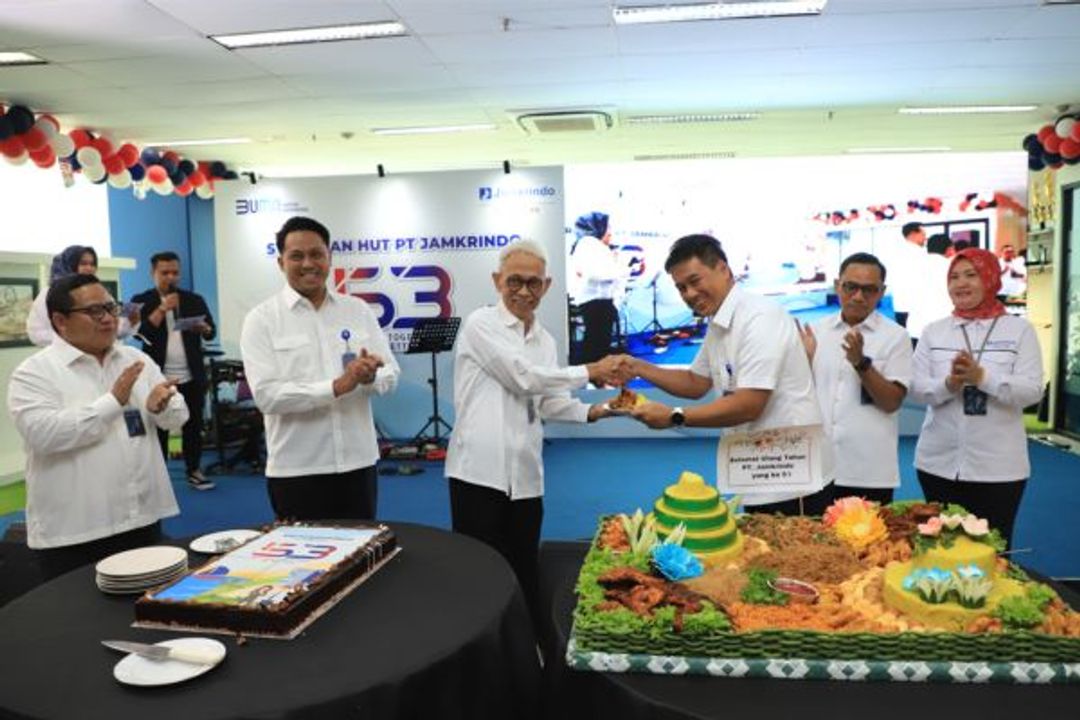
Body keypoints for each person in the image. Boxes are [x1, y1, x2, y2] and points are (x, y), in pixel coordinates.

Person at [445, 239, 623, 632]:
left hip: (526, 476)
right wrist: (590, 371)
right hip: (478, 472)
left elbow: (548, 402)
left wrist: (598, 410)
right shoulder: (481, 325)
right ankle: (479, 648)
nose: (524, 291)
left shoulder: (546, 340)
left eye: (533, 283)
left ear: (547, 285)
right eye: (514, 281)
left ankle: (526, 648)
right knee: (479, 571)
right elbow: (522, 377)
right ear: (497, 281)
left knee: (524, 565)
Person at [625, 234, 828, 514]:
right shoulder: (719, 323)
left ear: (723, 269)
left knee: (791, 554)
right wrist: (636, 366)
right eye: (681, 287)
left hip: (790, 474)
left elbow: (749, 405)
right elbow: (696, 383)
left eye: (695, 281)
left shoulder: (759, 317)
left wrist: (675, 416)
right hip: (757, 466)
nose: (689, 294)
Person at [7, 274, 187, 580]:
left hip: (141, 519)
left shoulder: (135, 359)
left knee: (148, 615)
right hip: (76, 533)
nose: (108, 319)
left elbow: (177, 417)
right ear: (60, 321)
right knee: (81, 624)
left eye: (111, 308)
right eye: (94, 312)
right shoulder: (35, 373)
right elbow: (45, 435)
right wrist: (112, 402)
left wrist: (164, 406)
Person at [241, 216, 400, 521]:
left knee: (361, 558)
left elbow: (390, 374)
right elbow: (267, 396)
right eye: (296, 256)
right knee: (304, 565)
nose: (308, 263)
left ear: (329, 257)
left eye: (316, 254)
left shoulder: (358, 311)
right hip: (298, 470)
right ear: (280, 262)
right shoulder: (261, 320)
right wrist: (338, 385)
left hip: (358, 464)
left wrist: (371, 376)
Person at [910, 247, 1043, 548]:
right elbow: (916, 388)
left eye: (971, 275)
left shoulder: (1020, 330)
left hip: (998, 468)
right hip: (937, 463)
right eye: (954, 277)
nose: (961, 284)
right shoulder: (934, 332)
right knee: (942, 550)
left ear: (991, 278)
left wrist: (982, 378)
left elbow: (1032, 391)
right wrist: (949, 384)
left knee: (992, 552)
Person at [798, 252, 913, 506]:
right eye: (851, 287)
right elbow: (798, 397)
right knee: (815, 544)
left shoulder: (896, 337)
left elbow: (891, 402)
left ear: (882, 291)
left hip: (868, 472)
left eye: (869, 290)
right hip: (816, 468)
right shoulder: (815, 332)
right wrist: (802, 363)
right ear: (838, 285)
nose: (858, 296)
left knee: (866, 544)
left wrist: (861, 363)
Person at [132, 252, 217, 491]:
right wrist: (161, 308)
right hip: (157, 376)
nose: (171, 277)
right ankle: (159, 474)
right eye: (165, 273)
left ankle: (194, 470)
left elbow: (212, 332)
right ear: (153, 273)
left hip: (191, 373)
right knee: (158, 425)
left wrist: (205, 328)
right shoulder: (142, 300)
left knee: (193, 423)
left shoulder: (194, 300)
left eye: (175, 272)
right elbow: (140, 333)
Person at [25, 245, 139, 346]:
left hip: (105, 359)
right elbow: (36, 334)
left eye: (92, 264)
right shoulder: (48, 294)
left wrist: (130, 322)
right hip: (67, 361)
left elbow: (115, 331)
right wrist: (77, 338)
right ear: (69, 264)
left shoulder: (101, 292)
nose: (89, 268)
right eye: (83, 263)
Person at [569, 211, 621, 363]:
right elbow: (597, 273)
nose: (610, 232)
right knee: (596, 343)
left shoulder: (592, 245)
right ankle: (592, 376)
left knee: (599, 341)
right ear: (597, 226)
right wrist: (619, 270)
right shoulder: (589, 244)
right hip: (595, 302)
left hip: (599, 301)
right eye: (608, 227)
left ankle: (596, 375)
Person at [904, 233, 953, 346]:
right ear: (949, 249)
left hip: (916, 327)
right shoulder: (951, 267)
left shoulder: (913, 265)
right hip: (943, 328)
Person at [889, 222, 927, 333]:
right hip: (917, 305)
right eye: (923, 234)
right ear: (912, 234)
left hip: (900, 303)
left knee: (903, 337)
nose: (925, 237)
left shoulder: (895, 252)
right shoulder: (920, 253)